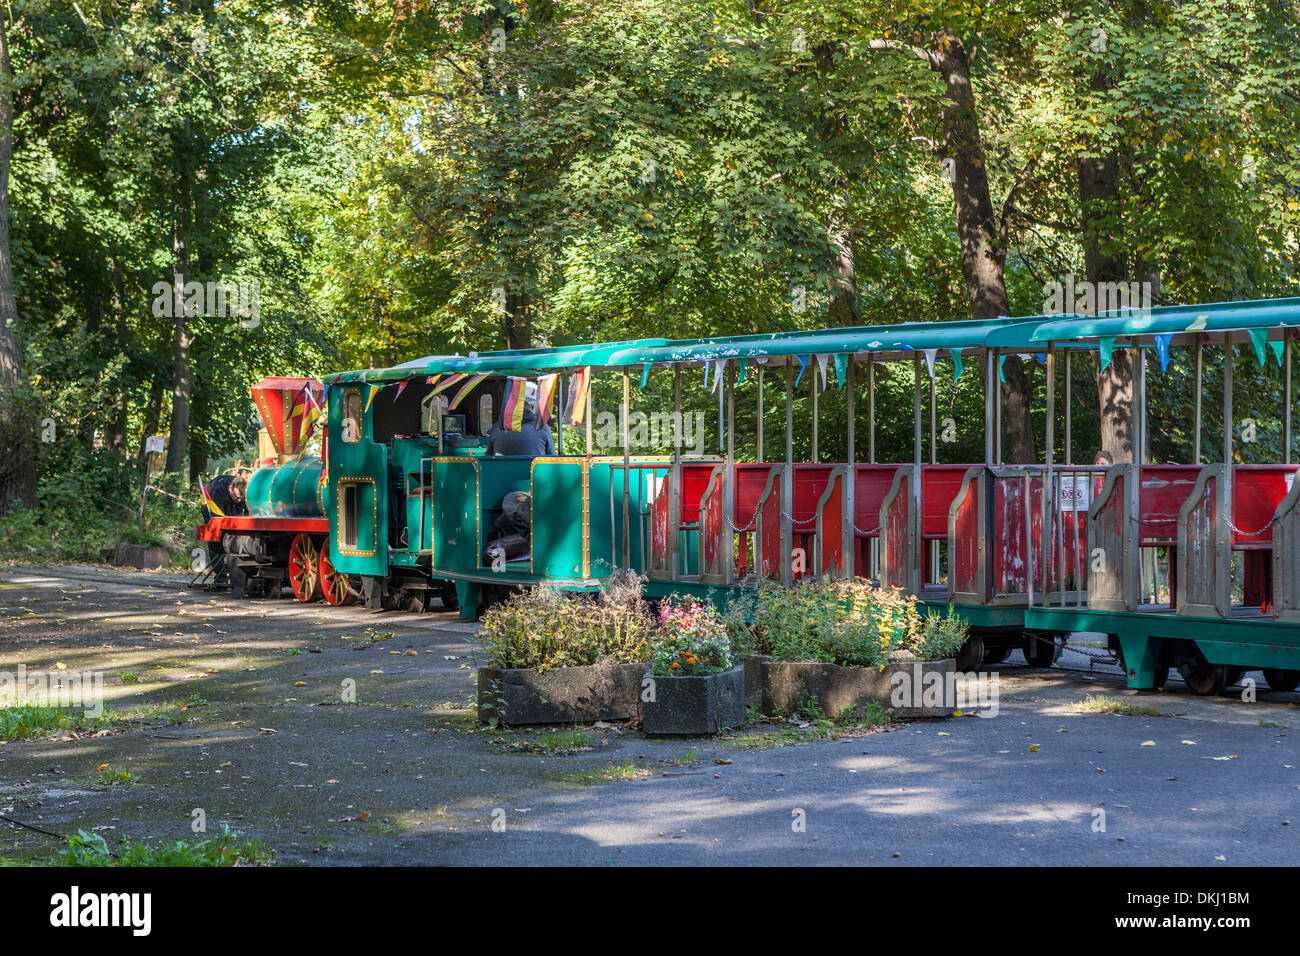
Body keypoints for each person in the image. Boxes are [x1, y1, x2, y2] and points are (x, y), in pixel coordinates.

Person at [484, 382, 555, 458]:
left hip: (503, 470)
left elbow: (489, 457)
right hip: (532, 470)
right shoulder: (542, 428)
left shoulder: (497, 427)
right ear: (533, 405)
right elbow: (551, 458)